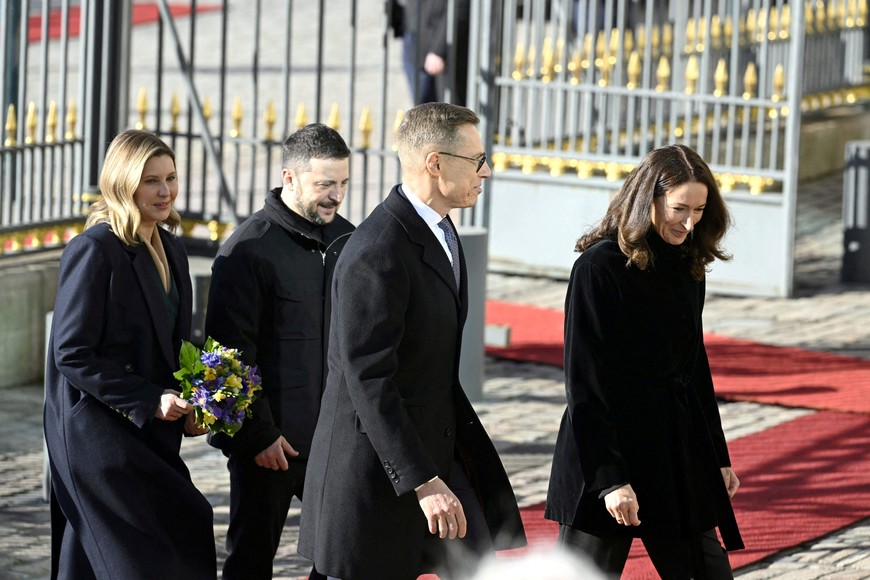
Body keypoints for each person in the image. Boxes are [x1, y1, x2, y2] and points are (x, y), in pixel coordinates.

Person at [297, 102, 526, 580]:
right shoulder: (377, 249)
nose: (486, 172)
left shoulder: (440, 229)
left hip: (436, 449)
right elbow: (368, 377)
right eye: (477, 160)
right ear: (436, 163)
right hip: (376, 473)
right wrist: (423, 480)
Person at [545, 144, 744, 578]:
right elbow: (585, 383)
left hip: (673, 450)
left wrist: (717, 455)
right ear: (647, 199)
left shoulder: (688, 262)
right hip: (607, 449)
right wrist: (610, 479)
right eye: (679, 208)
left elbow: (693, 367)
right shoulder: (598, 268)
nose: (689, 223)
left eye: (699, 210)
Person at [43, 129, 216, 579]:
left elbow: (172, 346)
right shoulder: (94, 250)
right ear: (124, 183)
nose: (165, 191)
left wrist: (195, 402)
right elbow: (71, 352)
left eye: (171, 178)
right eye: (151, 181)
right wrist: (148, 399)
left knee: (178, 536)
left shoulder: (172, 248)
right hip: (100, 439)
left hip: (151, 436)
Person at [204, 123, 354, 580]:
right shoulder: (248, 249)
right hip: (271, 446)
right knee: (250, 563)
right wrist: (258, 436)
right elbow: (227, 356)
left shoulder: (349, 240)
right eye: (325, 184)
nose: (336, 196)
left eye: (343, 183)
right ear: (289, 178)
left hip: (333, 440)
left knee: (349, 555)